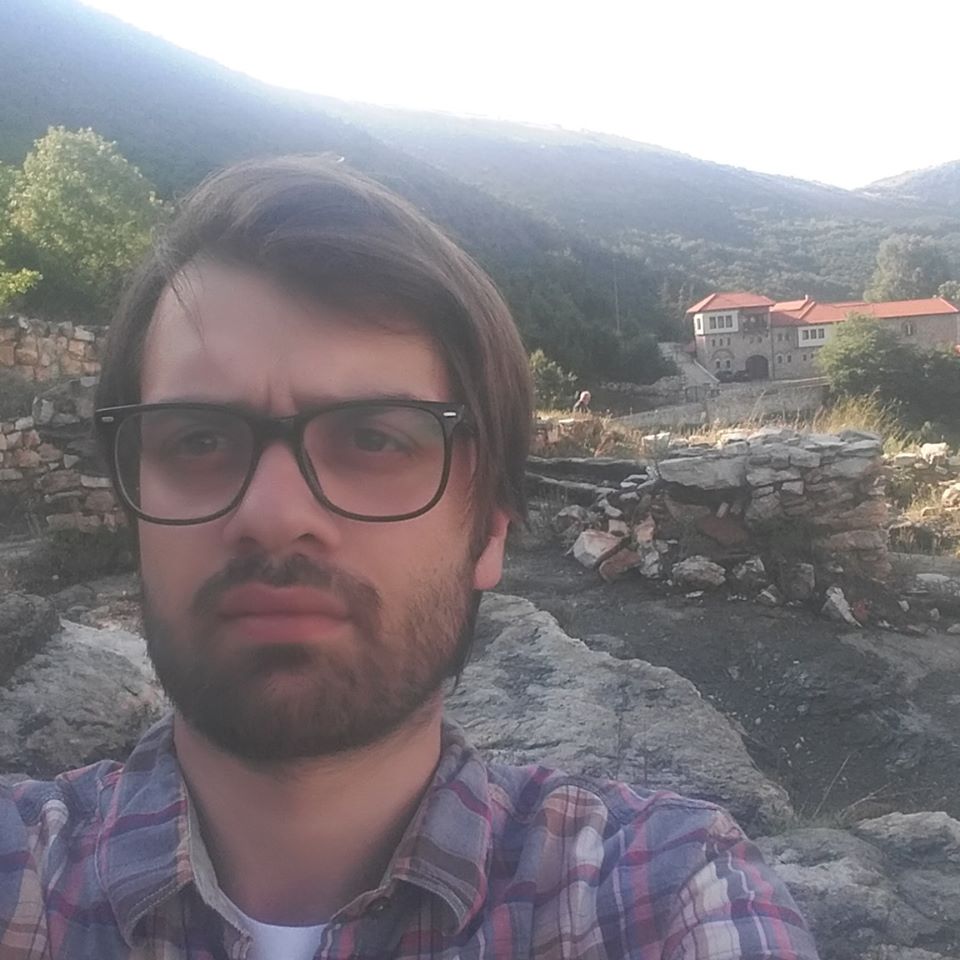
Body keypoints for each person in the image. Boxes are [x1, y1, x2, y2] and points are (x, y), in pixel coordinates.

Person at [0, 157, 819, 959]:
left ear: (489, 529)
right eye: (199, 440)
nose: (275, 516)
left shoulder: (661, 899)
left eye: (373, 439)